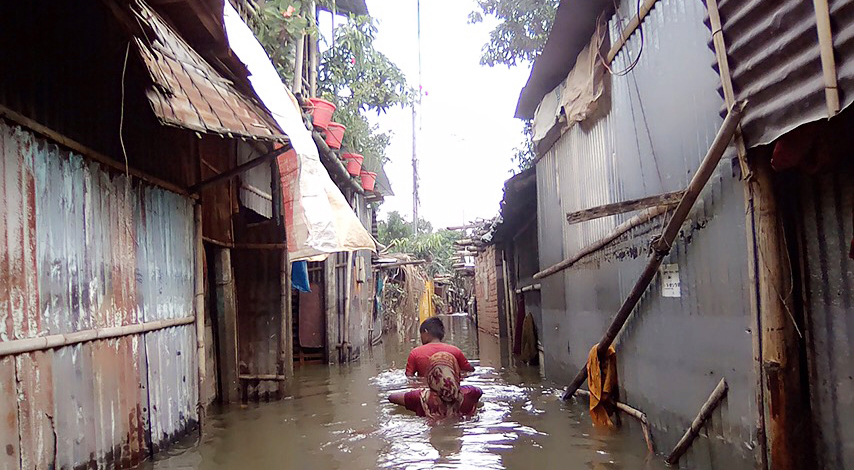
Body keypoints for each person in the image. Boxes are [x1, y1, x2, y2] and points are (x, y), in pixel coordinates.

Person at [389, 352, 482, 420]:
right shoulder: (470, 393)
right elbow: (480, 392)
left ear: (430, 375)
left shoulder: (421, 398)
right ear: (455, 371)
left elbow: (391, 397)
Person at [405, 317, 474, 377]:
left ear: (425, 332)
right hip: (451, 389)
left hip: (425, 388)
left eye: (421, 334)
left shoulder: (415, 353)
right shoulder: (455, 351)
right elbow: (469, 371)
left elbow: (409, 377)